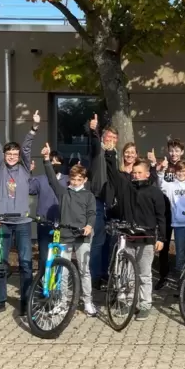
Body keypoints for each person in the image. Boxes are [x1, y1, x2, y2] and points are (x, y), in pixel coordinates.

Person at [100, 139, 166, 321]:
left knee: (144, 274)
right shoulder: (126, 188)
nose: (136, 175)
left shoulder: (154, 193)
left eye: (139, 173)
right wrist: (110, 154)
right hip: (129, 237)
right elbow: (113, 174)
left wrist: (161, 238)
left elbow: (161, 217)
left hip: (147, 239)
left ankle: (144, 304)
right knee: (128, 272)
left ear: (147, 174)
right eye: (134, 173)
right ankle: (129, 302)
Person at [0, 107, 39, 316]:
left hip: (23, 223)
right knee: (0, 263)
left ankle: (25, 302)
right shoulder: (1, 168)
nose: (13, 156)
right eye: (10, 154)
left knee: (25, 263)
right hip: (3, 222)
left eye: (15, 154)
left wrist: (33, 128)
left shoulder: (25, 169)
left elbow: (26, 148)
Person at [40, 143, 97, 316]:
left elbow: (92, 213)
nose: (76, 182)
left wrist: (89, 225)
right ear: (69, 179)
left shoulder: (88, 195)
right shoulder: (63, 192)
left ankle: (87, 301)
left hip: (82, 236)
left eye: (79, 179)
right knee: (62, 272)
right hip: (65, 235)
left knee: (84, 270)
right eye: (73, 179)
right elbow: (51, 178)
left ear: (84, 180)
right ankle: (61, 302)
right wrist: (46, 160)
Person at [84, 114, 116, 289]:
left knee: (109, 240)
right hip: (97, 199)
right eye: (108, 137)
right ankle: (95, 276)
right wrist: (94, 130)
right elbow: (95, 144)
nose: (110, 140)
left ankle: (105, 273)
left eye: (113, 138)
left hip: (112, 202)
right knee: (97, 240)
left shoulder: (116, 154)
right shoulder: (99, 152)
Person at [156, 160, 185, 274]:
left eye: (184, 171)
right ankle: (181, 280)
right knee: (180, 253)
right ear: (175, 172)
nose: (181, 173)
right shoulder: (171, 185)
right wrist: (162, 170)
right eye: (179, 171)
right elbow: (161, 184)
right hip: (178, 224)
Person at [29, 151, 68, 273]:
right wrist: (29, 172)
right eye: (52, 161)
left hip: (62, 224)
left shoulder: (68, 180)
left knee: (60, 256)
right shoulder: (41, 179)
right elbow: (30, 189)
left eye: (57, 161)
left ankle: (57, 285)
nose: (54, 163)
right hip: (44, 223)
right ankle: (42, 284)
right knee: (44, 256)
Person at [154, 138, 185, 290]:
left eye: (177, 150)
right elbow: (157, 184)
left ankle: (183, 277)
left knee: (182, 245)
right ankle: (163, 276)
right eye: (171, 150)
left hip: (180, 211)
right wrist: (158, 168)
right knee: (164, 244)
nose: (174, 153)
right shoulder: (163, 165)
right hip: (164, 210)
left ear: (182, 152)